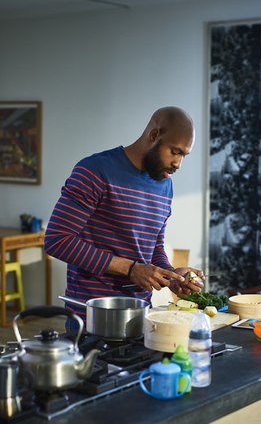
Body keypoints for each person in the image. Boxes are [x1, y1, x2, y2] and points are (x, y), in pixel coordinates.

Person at [44, 106, 205, 328]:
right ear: (154, 135)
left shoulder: (165, 185)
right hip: (91, 317)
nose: (178, 164)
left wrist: (171, 276)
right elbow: (57, 240)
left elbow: (152, 247)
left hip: (139, 318)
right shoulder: (94, 170)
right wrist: (130, 269)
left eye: (184, 155)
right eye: (175, 152)